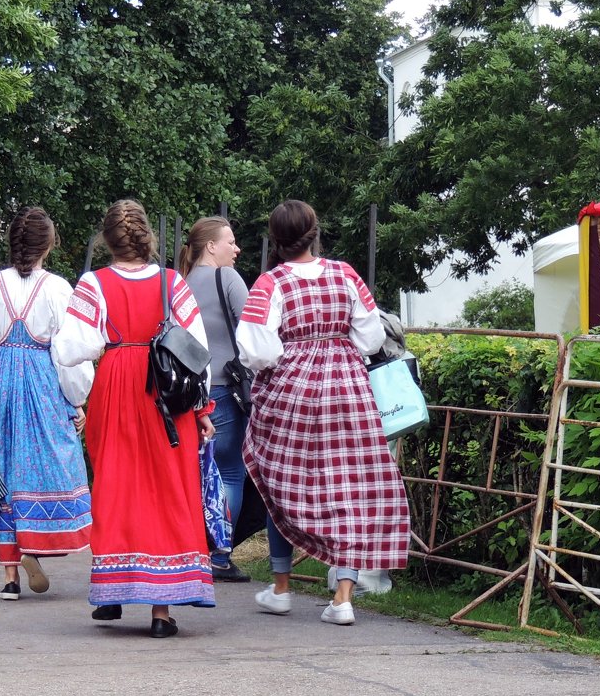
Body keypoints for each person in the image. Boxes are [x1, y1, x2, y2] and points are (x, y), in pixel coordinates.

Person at [235, 200, 410, 625]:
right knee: (348, 487)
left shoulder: (270, 283)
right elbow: (370, 336)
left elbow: (256, 348)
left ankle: (281, 588)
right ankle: (344, 599)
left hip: (291, 391)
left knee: (281, 483)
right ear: (315, 233)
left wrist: (290, 353)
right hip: (347, 389)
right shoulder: (345, 274)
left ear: (275, 239)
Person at [54, 199, 216, 639]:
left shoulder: (94, 283)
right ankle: (162, 612)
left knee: (117, 486)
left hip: (118, 387)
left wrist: (109, 345)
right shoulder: (173, 283)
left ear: (107, 241)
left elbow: (68, 348)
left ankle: (114, 591)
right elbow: (199, 353)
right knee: (167, 491)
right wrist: (202, 410)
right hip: (167, 396)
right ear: (148, 237)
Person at [0, 207, 94, 600]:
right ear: (48, 244)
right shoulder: (58, 288)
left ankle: (10, 574)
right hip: (42, 381)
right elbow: (70, 355)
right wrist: (76, 401)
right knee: (50, 461)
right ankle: (35, 541)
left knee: (2, 467)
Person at [179, 216, 251, 582]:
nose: (236, 249)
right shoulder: (228, 279)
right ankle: (220, 554)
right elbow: (253, 328)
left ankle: (194, 548)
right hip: (224, 387)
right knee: (229, 472)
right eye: (230, 242)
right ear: (211, 246)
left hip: (189, 393)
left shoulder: (181, 283)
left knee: (196, 473)